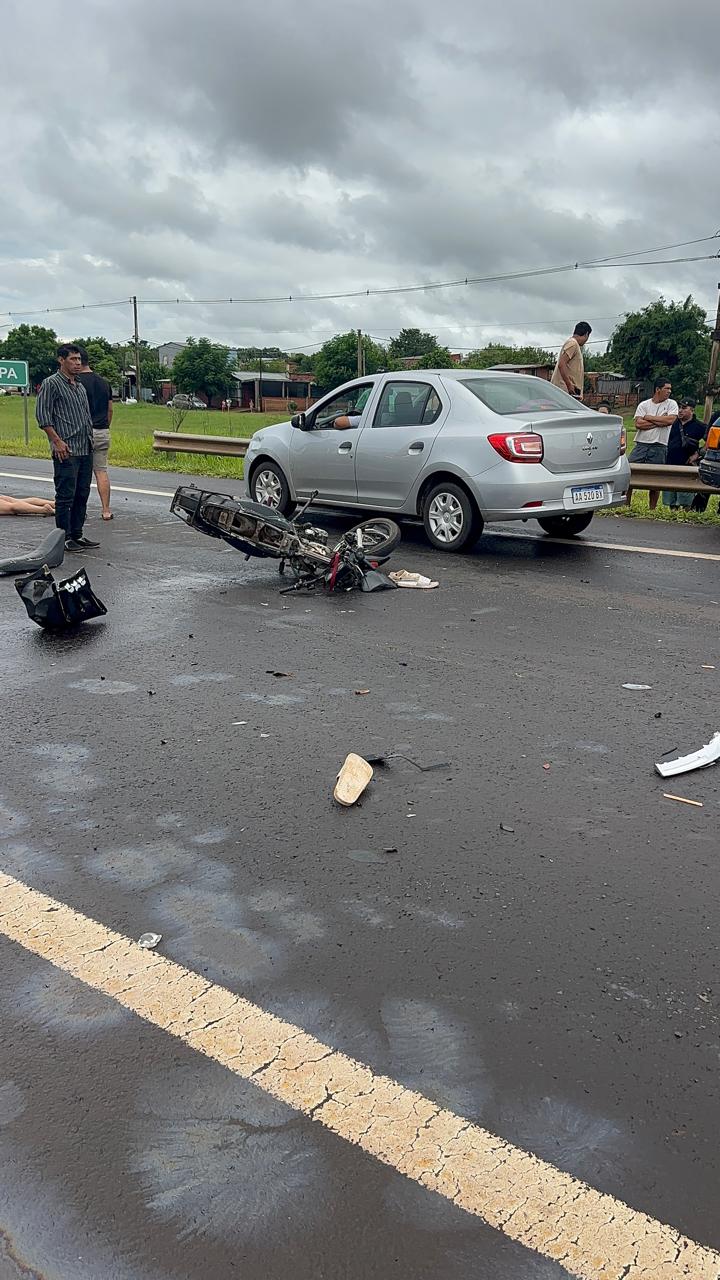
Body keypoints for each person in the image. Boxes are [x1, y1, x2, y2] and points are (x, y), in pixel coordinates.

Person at [35, 343, 99, 552]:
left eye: (79, 359)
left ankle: (77, 534)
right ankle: (62, 537)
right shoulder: (51, 384)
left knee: (82, 493)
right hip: (66, 448)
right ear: (61, 360)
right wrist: (56, 440)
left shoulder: (79, 385)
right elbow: (43, 416)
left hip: (85, 446)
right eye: (73, 359)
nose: (77, 363)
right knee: (65, 496)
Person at [626, 378, 679, 512]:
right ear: (657, 389)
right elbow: (639, 424)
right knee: (629, 473)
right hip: (641, 445)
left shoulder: (672, 404)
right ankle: (626, 505)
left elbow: (670, 420)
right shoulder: (644, 405)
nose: (669, 391)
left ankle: (652, 509)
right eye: (667, 388)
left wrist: (649, 418)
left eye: (670, 389)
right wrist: (660, 421)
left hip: (659, 446)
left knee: (656, 480)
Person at [77, 347, 114, 521]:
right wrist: (105, 426)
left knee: (80, 473)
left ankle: (80, 510)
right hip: (102, 430)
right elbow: (110, 409)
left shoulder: (76, 382)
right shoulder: (104, 382)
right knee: (101, 471)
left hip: (82, 432)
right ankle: (106, 510)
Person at [661, 398, 704, 510]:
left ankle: (687, 513)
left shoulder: (699, 426)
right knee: (670, 497)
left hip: (687, 466)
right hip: (670, 463)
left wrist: (698, 453)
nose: (680, 410)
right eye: (679, 407)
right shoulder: (673, 423)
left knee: (686, 497)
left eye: (684, 408)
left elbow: (710, 442)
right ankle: (673, 513)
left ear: (692, 410)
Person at [551, 322, 592, 397]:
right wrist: (569, 385)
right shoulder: (573, 343)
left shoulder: (573, 344)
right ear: (586, 334)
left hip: (567, 392)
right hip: (564, 392)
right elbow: (561, 364)